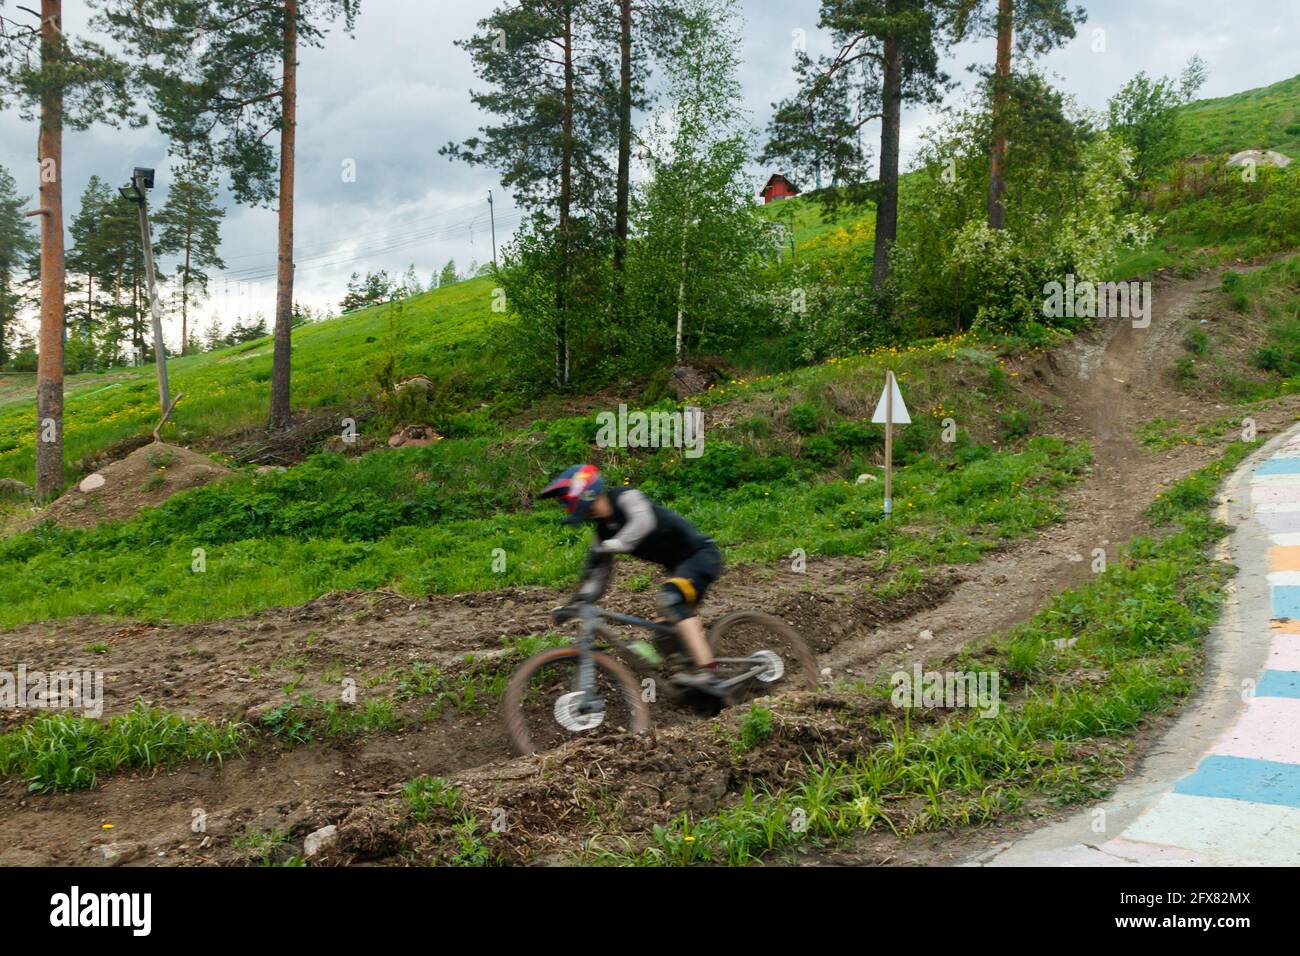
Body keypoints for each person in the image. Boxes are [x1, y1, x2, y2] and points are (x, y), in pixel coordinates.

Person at [539, 464, 726, 694]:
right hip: (680, 568)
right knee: (664, 630)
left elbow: (643, 521)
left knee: (670, 599)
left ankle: (710, 673)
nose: (590, 513)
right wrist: (576, 604)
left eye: (587, 507)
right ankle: (691, 673)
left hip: (702, 556)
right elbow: (597, 575)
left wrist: (615, 544)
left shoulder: (626, 497)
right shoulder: (603, 531)